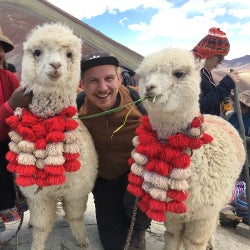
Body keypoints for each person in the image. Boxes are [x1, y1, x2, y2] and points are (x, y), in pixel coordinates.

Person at [78, 52, 151, 250]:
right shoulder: (77, 108)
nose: (102, 88)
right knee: (114, 244)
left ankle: (139, 228)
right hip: (103, 179)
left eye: (109, 78)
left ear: (119, 79)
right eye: (93, 81)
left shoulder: (138, 101)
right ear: (82, 84)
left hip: (135, 175)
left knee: (136, 211)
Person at [0, 27, 31, 232]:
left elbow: (23, 111)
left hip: (6, 146)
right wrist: (10, 105)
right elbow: (13, 106)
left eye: (0, 47)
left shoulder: (9, 78)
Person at [192, 27, 240, 116]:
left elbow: (209, 95)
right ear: (207, 53)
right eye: (219, 58)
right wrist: (226, 85)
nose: (221, 62)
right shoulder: (192, 74)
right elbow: (199, 105)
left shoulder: (204, 72)